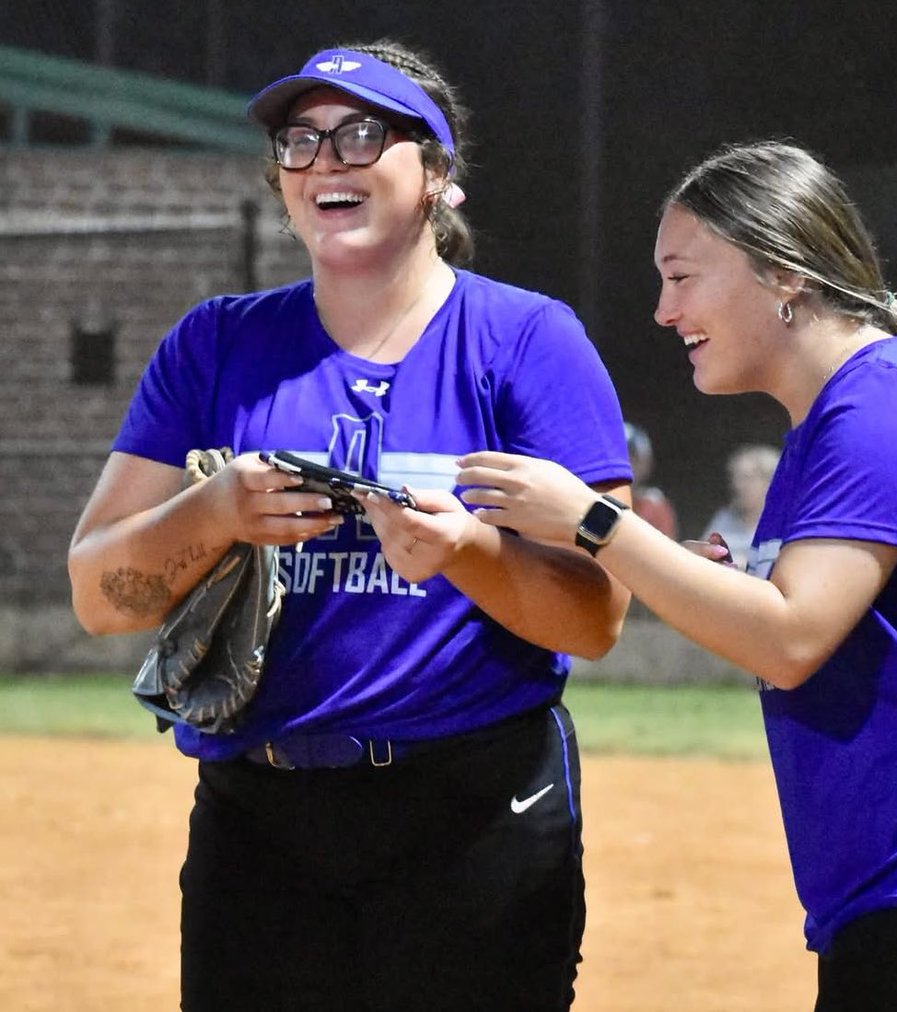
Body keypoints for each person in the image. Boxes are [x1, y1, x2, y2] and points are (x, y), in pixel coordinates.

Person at [454, 141, 897, 1009]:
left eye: (682, 277)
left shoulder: (880, 399)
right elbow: (794, 622)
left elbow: (792, 638)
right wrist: (708, 579)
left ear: (784, 274)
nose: (663, 310)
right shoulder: (832, 419)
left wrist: (593, 521)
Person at [67, 40, 631, 1012]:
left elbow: (597, 618)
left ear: (437, 174)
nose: (326, 159)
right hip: (260, 823)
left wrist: (467, 553)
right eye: (301, 141)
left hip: (473, 808)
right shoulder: (216, 345)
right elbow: (97, 595)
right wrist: (214, 511)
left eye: (363, 135)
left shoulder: (527, 342)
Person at [700, 443, 781, 569]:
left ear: (769, 482)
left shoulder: (784, 525)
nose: (737, 485)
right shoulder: (724, 519)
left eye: (747, 478)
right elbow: (701, 559)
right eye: (734, 477)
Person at [624, 421, 678, 538]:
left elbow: (664, 548)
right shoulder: (588, 497)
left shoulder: (653, 507)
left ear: (646, 465)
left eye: (630, 458)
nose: (622, 464)